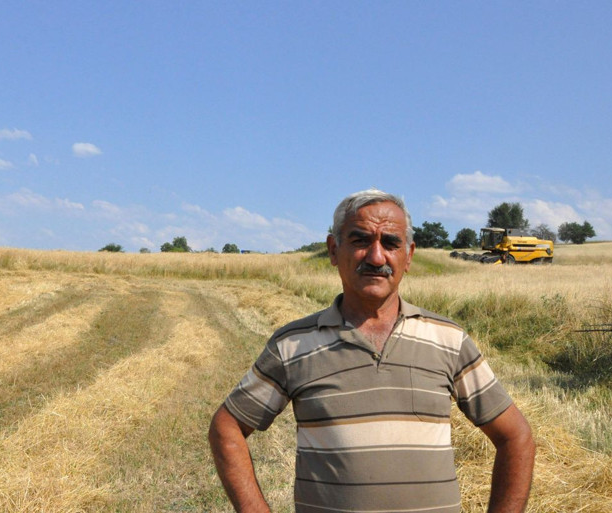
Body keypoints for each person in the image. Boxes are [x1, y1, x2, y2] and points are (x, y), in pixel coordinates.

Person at [209, 187, 535, 513]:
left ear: (408, 256)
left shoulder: (448, 340)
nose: (376, 257)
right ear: (334, 250)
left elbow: (515, 436)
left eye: (390, 243)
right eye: (361, 240)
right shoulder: (293, 345)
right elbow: (228, 427)